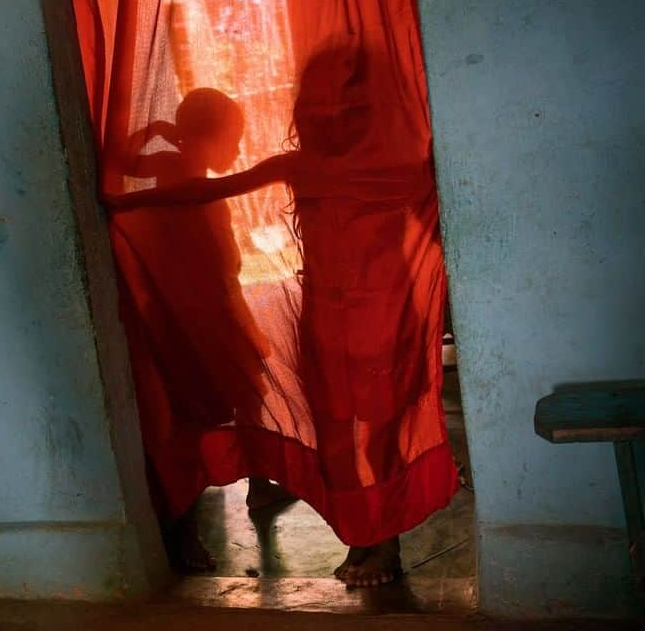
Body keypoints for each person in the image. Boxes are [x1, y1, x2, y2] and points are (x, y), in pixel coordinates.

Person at [108, 52, 456, 586]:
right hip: (326, 323)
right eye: (320, 101)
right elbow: (205, 189)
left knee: (379, 437)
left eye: (352, 104)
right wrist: (115, 203)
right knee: (337, 437)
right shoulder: (298, 166)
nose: (333, 113)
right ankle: (360, 536)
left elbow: (433, 224)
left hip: (385, 323)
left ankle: (383, 544)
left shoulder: (395, 167)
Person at [116, 88, 293, 570]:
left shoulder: (176, 170)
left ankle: (253, 490)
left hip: (187, 314)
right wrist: (246, 326)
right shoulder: (184, 178)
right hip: (201, 316)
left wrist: (156, 132)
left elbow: (120, 159)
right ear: (204, 138)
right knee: (215, 407)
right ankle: (195, 527)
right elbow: (223, 270)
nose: (236, 153)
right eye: (232, 141)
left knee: (217, 404)